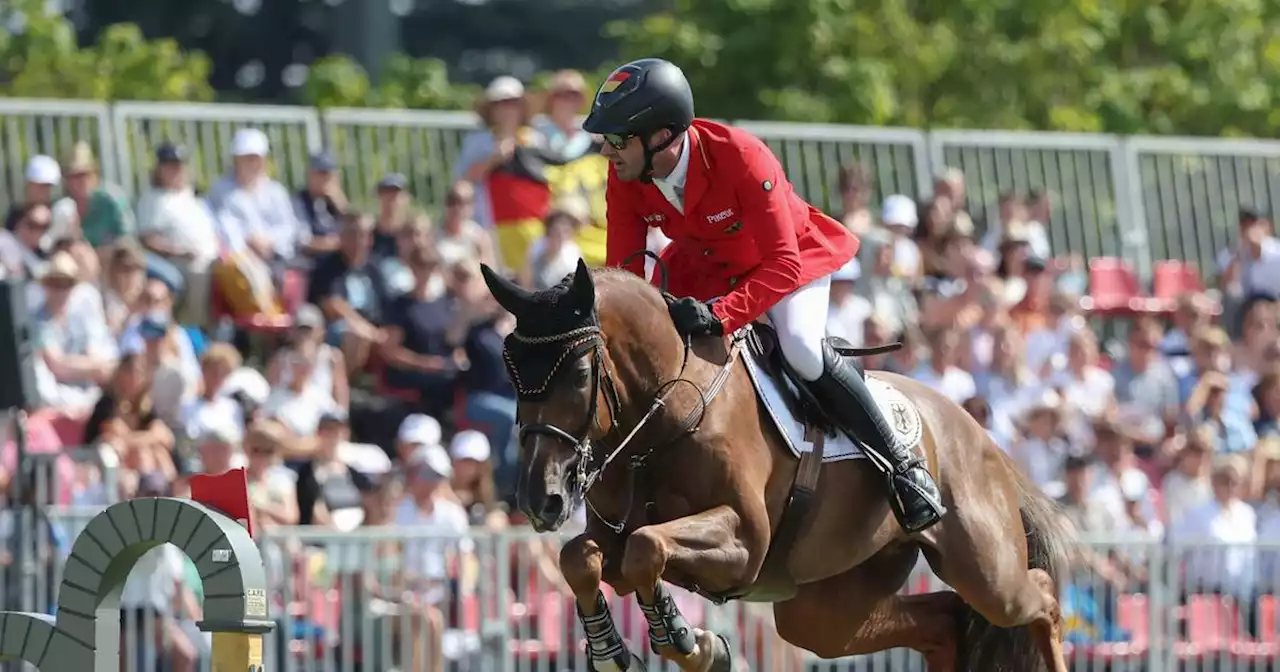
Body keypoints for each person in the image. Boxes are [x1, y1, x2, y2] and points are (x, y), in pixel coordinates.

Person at [584, 57, 945, 533]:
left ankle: (902, 467)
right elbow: (626, 274)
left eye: (617, 139)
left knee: (800, 348)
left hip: (787, 261)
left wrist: (721, 316)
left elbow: (783, 263)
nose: (607, 152)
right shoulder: (628, 175)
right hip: (704, 263)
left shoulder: (740, 156)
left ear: (662, 136)